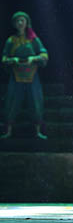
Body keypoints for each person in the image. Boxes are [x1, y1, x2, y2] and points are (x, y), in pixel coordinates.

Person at [2, 12, 49, 140]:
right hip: (16, 75)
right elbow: (4, 57)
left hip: (31, 75)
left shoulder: (33, 39)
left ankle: (38, 131)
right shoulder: (11, 40)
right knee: (11, 102)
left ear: (26, 22)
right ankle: (8, 131)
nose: (20, 23)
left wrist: (34, 58)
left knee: (36, 102)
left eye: (22, 20)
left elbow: (44, 54)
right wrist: (13, 60)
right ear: (14, 24)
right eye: (18, 21)